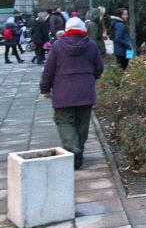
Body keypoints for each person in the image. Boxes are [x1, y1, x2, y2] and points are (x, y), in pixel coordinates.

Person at [39, 17, 104, 169]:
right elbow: (99, 68)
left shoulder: (57, 46)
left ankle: (72, 148)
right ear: (83, 29)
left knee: (64, 122)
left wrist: (44, 89)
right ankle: (77, 157)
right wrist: (89, 77)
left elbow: (48, 70)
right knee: (82, 125)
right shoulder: (91, 45)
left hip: (63, 93)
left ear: (66, 29)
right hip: (85, 92)